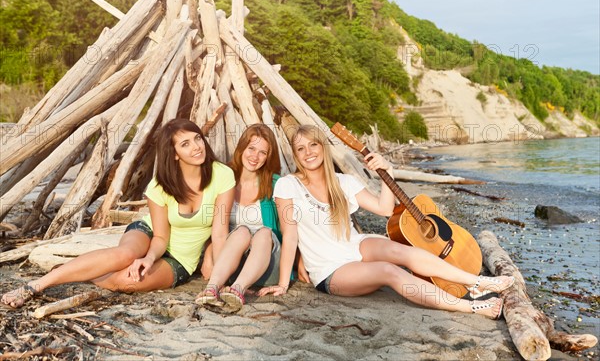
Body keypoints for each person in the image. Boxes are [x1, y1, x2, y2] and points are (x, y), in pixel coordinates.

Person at [258, 125, 515, 319]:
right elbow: (289, 235)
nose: (308, 153)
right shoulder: (287, 185)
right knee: (389, 271)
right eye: (300, 149)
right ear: (294, 155)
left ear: (322, 147)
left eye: (313, 145)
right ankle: (469, 307)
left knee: (401, 251)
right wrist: (283, 282)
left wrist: (386, 173)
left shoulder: (343, 183)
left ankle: (476, 281)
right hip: (329, 269)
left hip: (355, 246)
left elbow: (384, 209)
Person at [1, 119, 235, 308]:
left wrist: (218, 277)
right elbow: (161, 237)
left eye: (197, 138)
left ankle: (83, 271)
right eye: (185, 144)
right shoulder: (159, 187)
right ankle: (36, 285)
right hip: (150, 234)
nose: (196, 147)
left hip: (182, 259)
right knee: (124, 255)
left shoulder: (222, 176)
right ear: (174, 153)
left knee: (125, 281)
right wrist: (148, 257)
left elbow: (220, 232)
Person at [195, 124, 283, 312]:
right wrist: (209, 254)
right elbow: (212, 226)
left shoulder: (276, 183)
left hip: (266, 263)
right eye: (251, 148)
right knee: (241, 231)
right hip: (229, 264)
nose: (255, 156)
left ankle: (238, 290)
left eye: (262, 152)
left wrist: (299, 265)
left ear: (268, 157)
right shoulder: (223, 177)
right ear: (242, 147)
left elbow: (291, 230)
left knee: (264, 232)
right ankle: (213, 287)